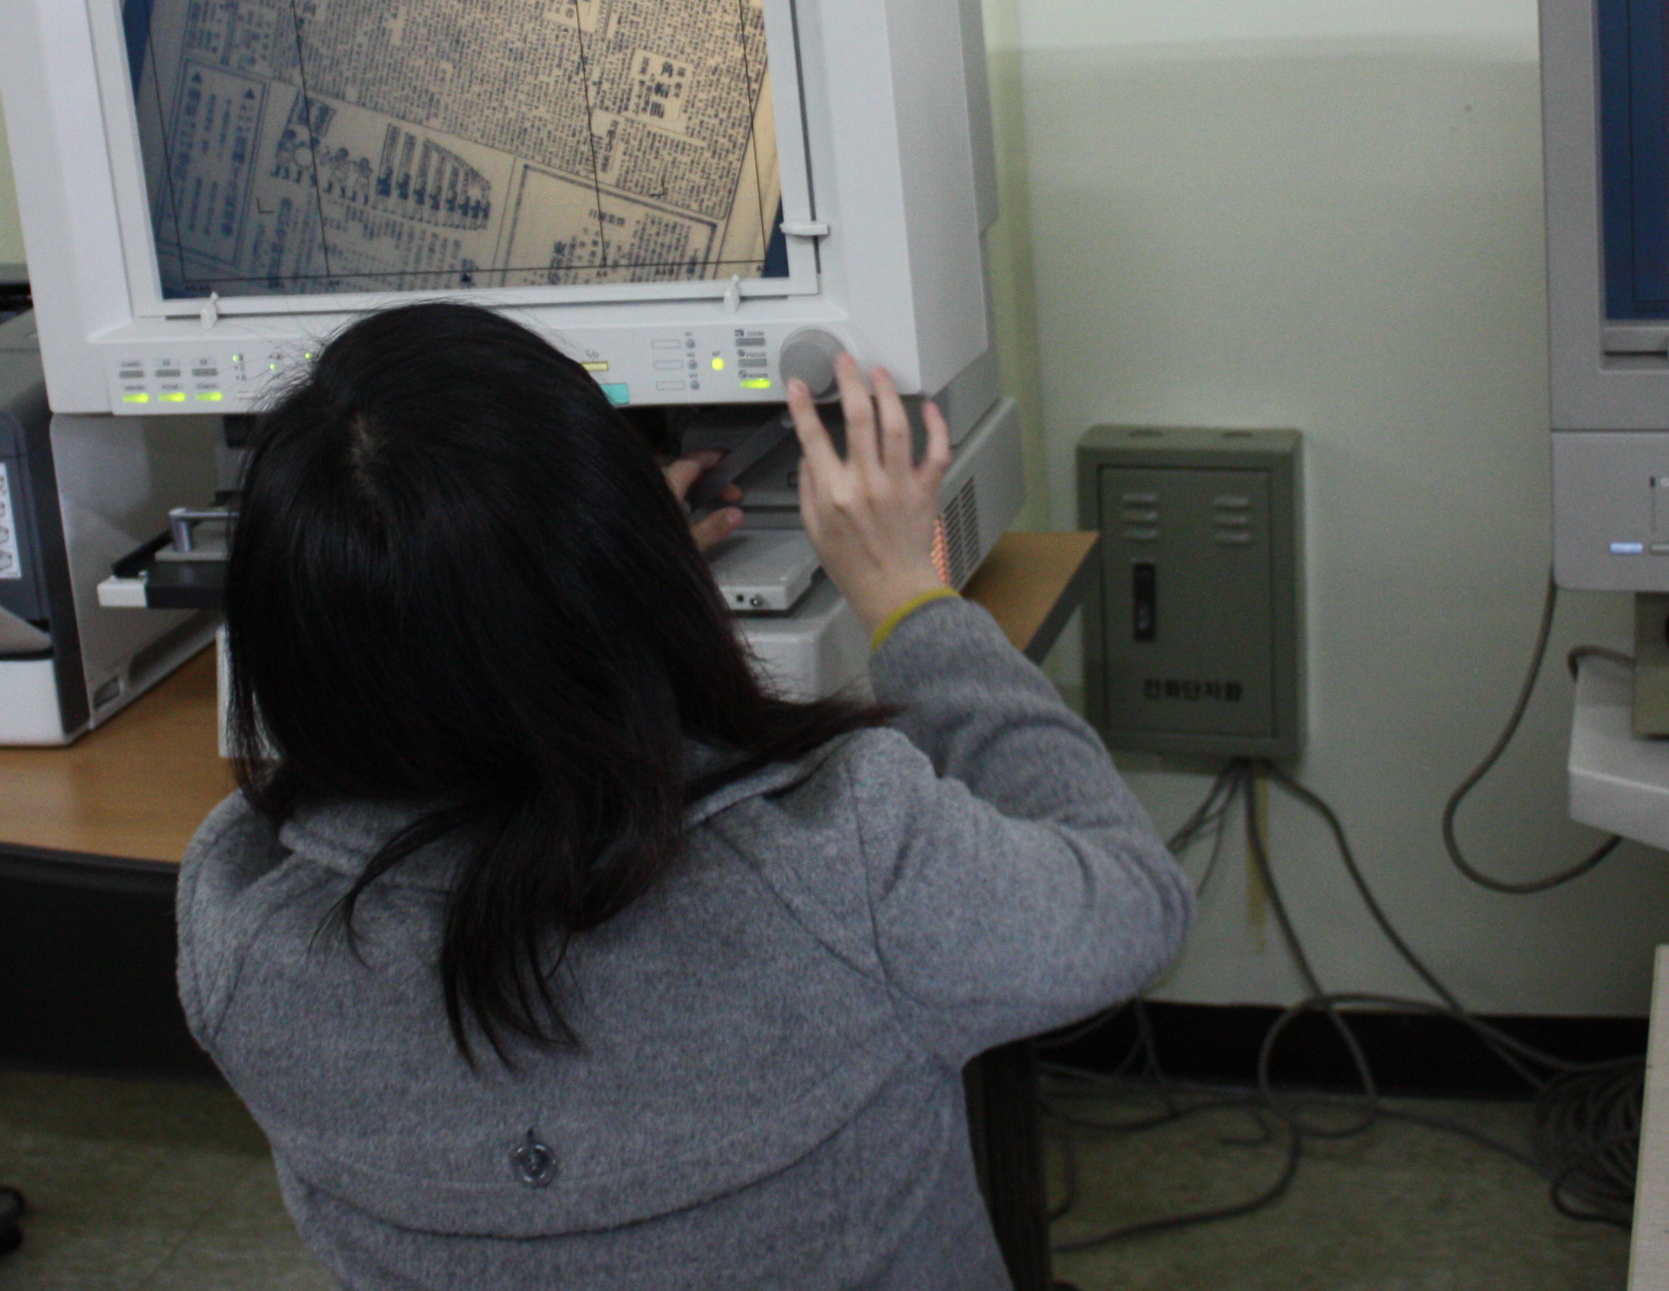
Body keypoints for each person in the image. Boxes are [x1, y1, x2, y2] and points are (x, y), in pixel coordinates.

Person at [178, 302, 1193, 1290]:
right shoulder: (844, 859)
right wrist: (906, 598)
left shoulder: (239, 930)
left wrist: (537, 587)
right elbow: (1134, 899)